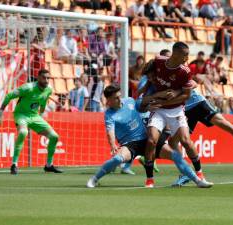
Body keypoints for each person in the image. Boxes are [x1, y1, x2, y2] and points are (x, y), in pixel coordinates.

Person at [86, 84, 213, 188]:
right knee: (118, 159)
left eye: (119, 96)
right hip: (131, 144)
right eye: (116, 98)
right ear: (108, 101)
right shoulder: (109, 115)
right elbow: (110, 132)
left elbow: (142, 108)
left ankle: (198, 180)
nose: (120, 99)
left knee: (175, 155)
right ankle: (94, 179)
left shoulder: (129, 101)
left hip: (147, 139)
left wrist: (149, 107)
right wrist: (113, 144)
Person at [142, 42, 199, 187]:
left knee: (185, 141)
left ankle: (198, 173)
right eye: (185, 54)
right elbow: (141, 100)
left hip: (175, 110)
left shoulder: (185, 71)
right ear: (176, 54)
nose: (187, 57)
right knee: (151, 141)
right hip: (158, 110)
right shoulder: (157, 64)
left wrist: (169, 97)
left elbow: (187, 93)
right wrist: (151, 93)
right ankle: (150, 179)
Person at [0, 69, 62, 174]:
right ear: (38, 78)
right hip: (21, 114)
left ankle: (48, 165)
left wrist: (42, 111)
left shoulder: (48, 89)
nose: (46, 80)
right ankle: (14, 164)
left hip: (34, 116)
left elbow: (43, 101)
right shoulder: (28, 88)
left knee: (54, 136)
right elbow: (9, 95)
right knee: (23, 132)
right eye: (44, 78)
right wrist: (1, 111)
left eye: (48, 78)